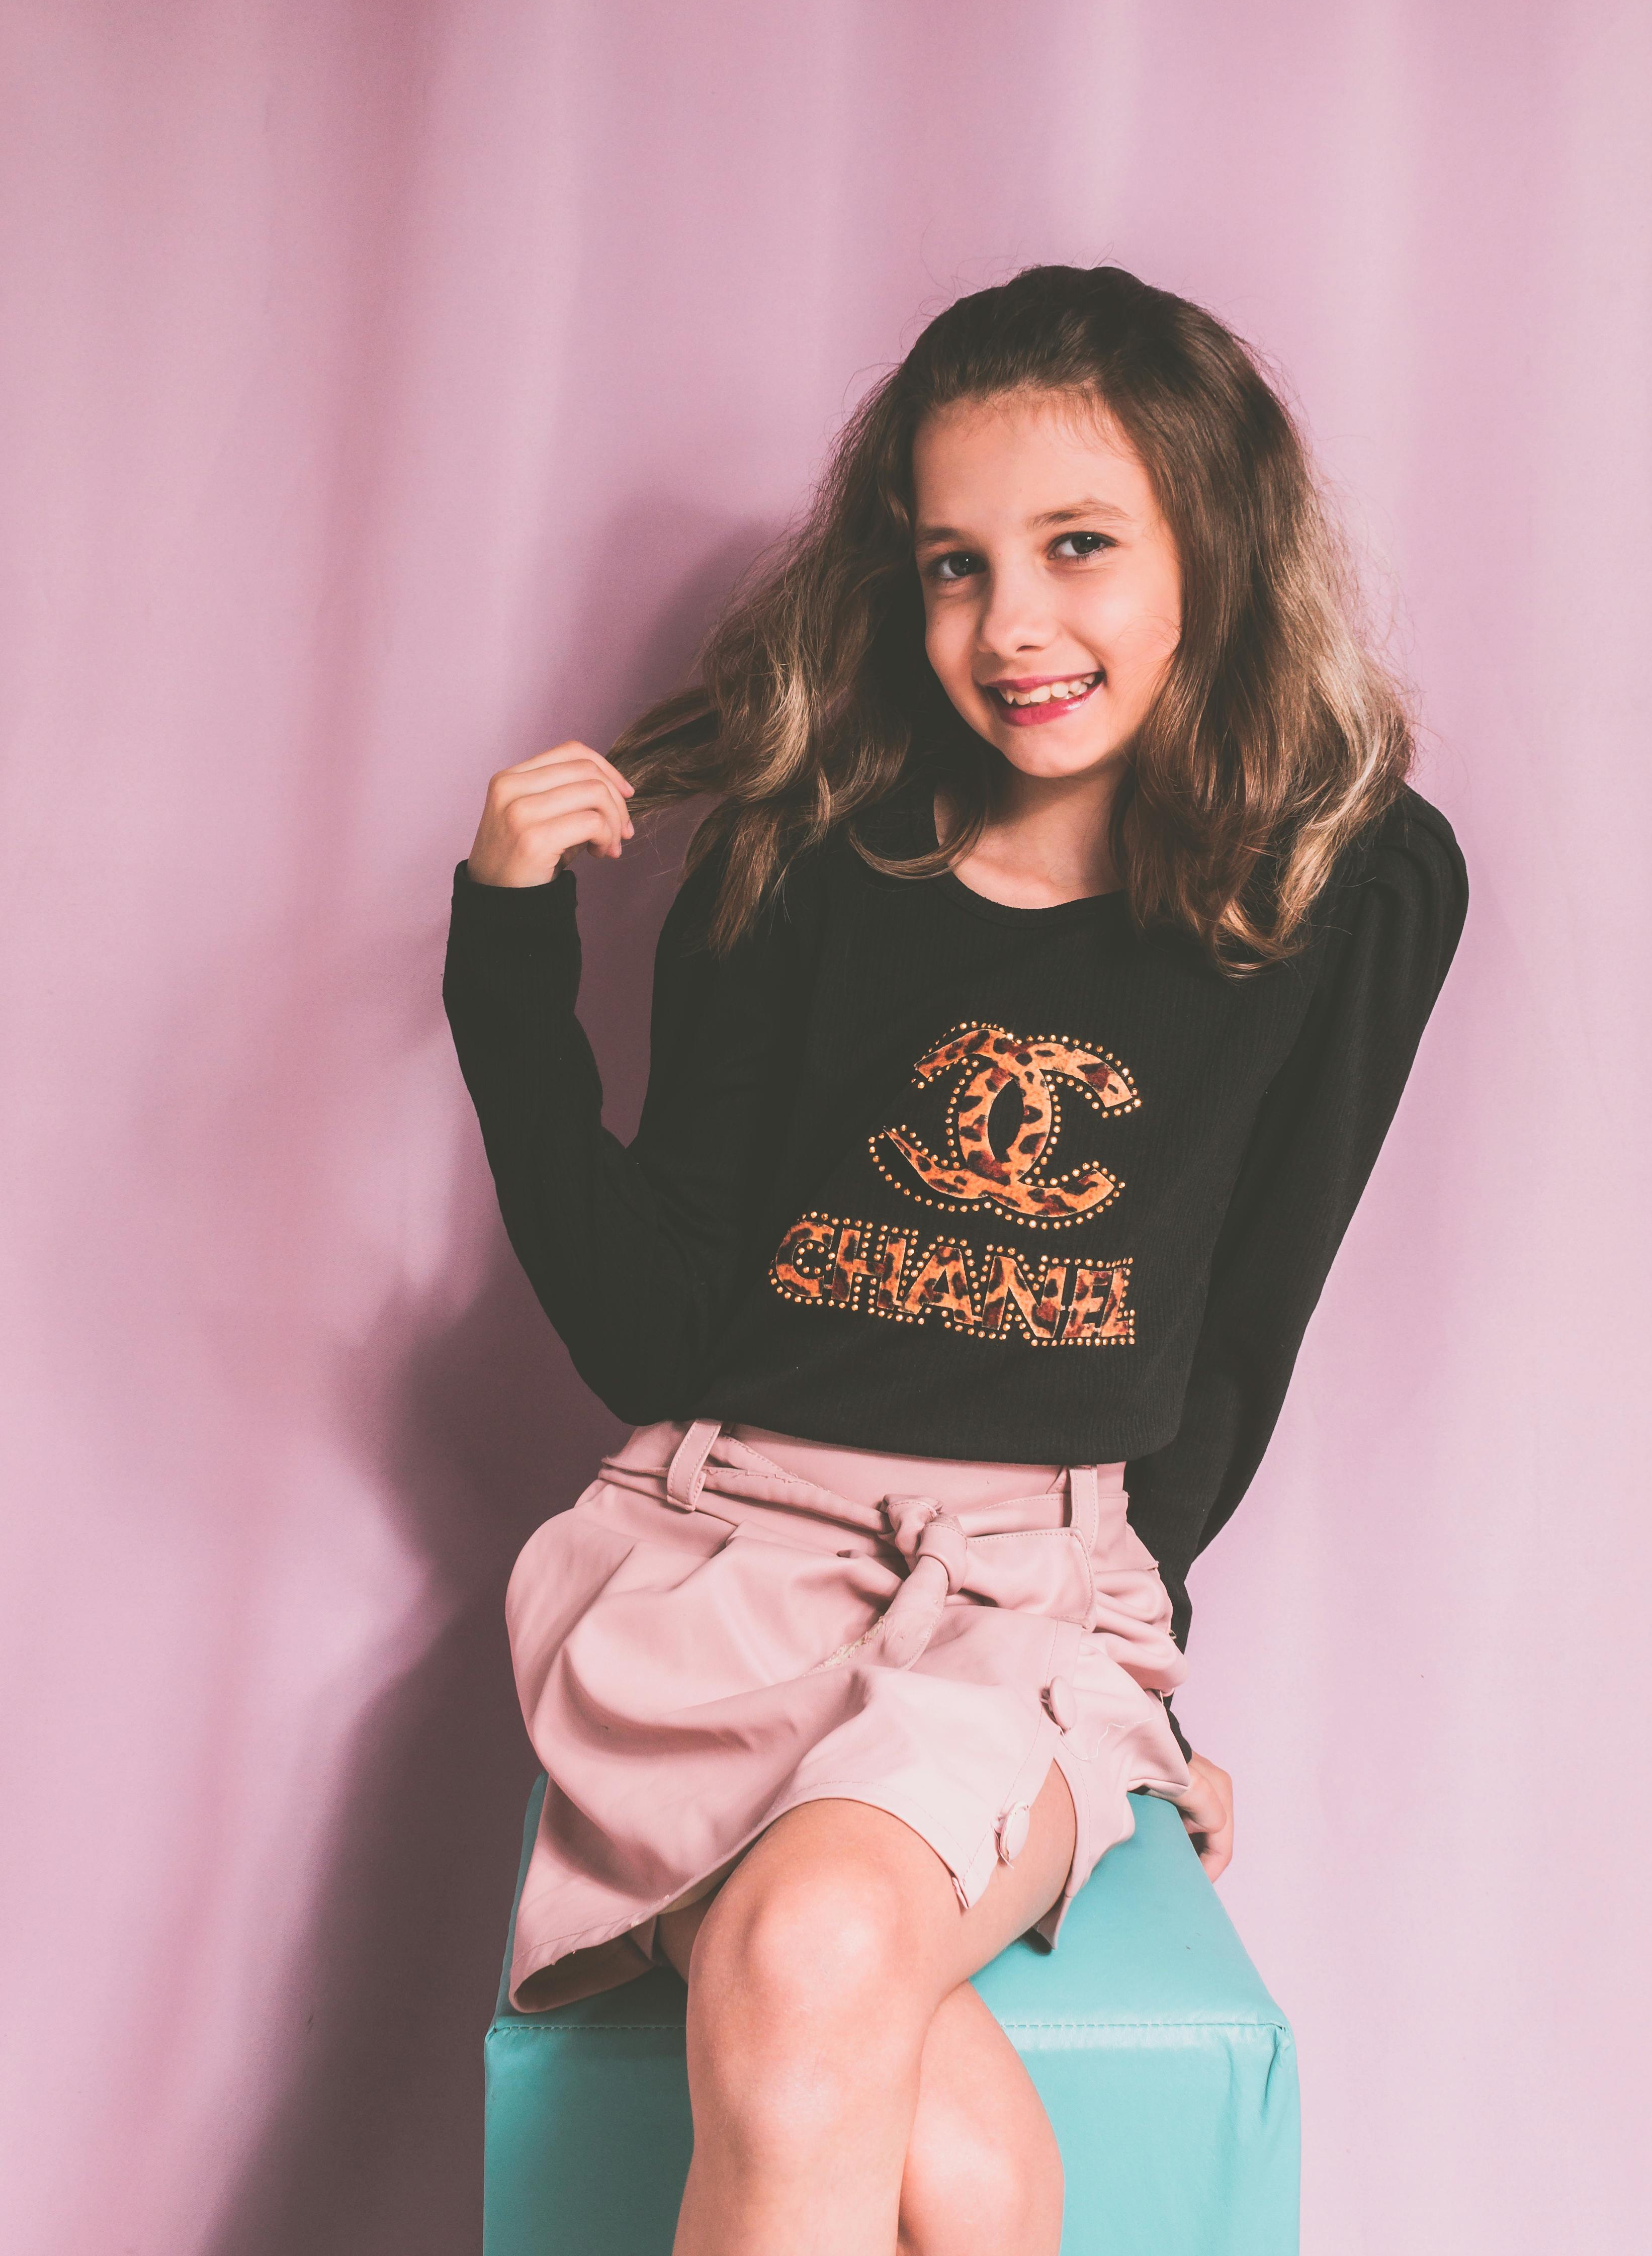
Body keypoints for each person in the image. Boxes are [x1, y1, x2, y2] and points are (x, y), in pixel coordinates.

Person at [443, 264, 1467, 2256]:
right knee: (957, 2163)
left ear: (1215, 540)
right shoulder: (801, 857)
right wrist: (507, 963)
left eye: (1079, 546)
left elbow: (1245, 1322)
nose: (1012, 629)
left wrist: (1145, 1658)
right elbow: (655, 1325)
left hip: (1024, 1590)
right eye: (949, 565)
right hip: (723, 1569)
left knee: (820, 1949)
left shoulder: (1350, 886)